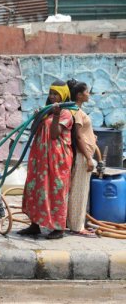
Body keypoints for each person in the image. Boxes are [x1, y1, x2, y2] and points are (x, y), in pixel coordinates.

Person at [18, 80, 74, 240]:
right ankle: (34, 224)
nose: (52, 96)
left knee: (55, 191)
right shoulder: (47, 110)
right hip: (40, 157)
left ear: (63, 95)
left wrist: (56, 115)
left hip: (57, 159)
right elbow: (34, 130)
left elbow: (55, 134)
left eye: (56, 93)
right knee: (35, 188)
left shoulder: (65, 114)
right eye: (51, 93)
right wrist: (37, 116)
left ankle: (58, 228)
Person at [66, 79, 98, 238]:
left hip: (84, 155)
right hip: (82, 157)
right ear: (79, 95)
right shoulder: (77, 112)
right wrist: (88, 158)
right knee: (79, 191)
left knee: (80, 191)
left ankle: (75, 223)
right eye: (86, 91)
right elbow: (78, 137)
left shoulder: (77, 110)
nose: (88, 94)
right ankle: (77, 227)